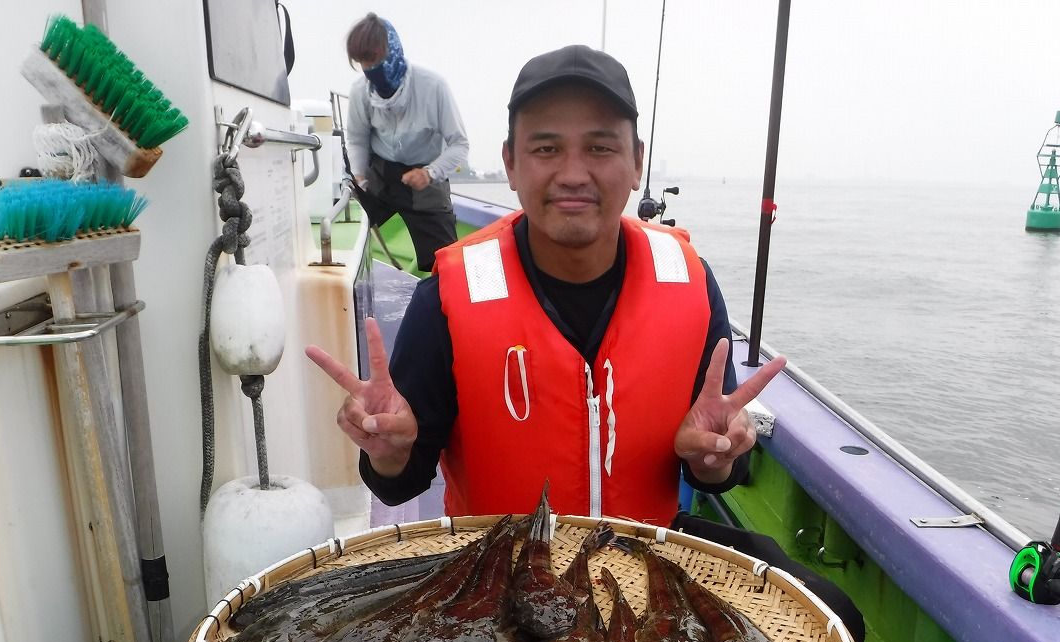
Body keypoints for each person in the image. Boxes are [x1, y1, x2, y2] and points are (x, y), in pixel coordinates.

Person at [309, 45, 786, 527]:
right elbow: (401, 482)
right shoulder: (448, 298)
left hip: (639, 561)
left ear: (637, 162)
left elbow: (718, 463)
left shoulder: (691, 284)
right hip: (498, 565)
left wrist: (716, 459)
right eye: (546, 149)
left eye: (600, 148)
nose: (573, 175)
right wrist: (389, 452)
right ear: (511, 164)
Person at [344, 14, 469, 271]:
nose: (369, 68)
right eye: (362, 62)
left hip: (425, 179)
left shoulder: (433, 86)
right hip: (379, 175)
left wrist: (430, 173)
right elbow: (357, 139)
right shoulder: (359, 91)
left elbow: (459, 144)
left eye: (373, 58)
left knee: (446, 263)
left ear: (393, 49)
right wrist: (359, 175)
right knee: (346, 228)